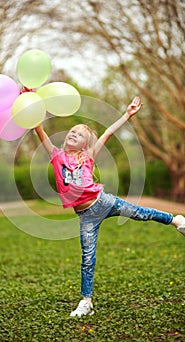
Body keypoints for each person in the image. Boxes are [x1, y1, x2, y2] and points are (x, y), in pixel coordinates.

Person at [34, 96, 185, 317]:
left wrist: (127, 114)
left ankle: (177, 220)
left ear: (86, 144)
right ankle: (87, 302)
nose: (72, 134)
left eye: (78, 134)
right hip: (85, 215)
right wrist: (30, 102)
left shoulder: (88, 156)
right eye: (71, 131)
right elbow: (40, 131)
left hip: (103, 202)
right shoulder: (56, 156)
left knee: (141, 213)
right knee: (87, 257)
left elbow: (108, 133)